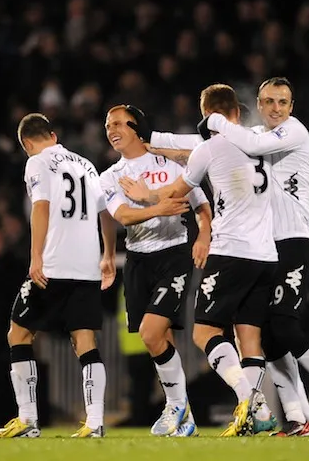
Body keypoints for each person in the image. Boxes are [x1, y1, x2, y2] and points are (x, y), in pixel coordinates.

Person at [141, 77, 309, 436]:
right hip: (270, 246)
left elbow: (229, 141)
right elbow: (205, 145)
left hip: (297, 239)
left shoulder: (292, 131)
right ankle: (298, 417)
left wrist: (213, 120)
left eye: (283, 102)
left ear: (292, 107)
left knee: (284, 326)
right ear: (258, 105)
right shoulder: (252, 136)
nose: (276, 108)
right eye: (269, 101)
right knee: (270, 334)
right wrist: (155, 139)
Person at [120, 84, 277, 437]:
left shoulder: (210, 147)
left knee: (204, 331)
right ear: (236, 110)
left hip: (232, 252)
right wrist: (161, 150)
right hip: (266, 255)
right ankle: (257, 416)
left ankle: (253, 403)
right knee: (249, 339)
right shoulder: (259, 140)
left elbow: (179, 189)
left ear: (207, 114)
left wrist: (147, 195)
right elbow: (191, 151)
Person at [0, 113, 116, 439]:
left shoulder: (37, 162)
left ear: (26, 143)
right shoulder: (86, 165)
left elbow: (41, 207)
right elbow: (106, 211)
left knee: (18, 334)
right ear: (53, 135)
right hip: (87, 266)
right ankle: (95, 422)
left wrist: (35, 256)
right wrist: (108, 254)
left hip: (54, 264)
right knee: (85, 341)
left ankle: (28, 419)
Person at [100, 104, 212, 437]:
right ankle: (185, 417)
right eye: (108, 125)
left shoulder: (170, 162)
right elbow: (122, 215)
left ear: (137, 127)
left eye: (118, 123)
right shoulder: (110, 175)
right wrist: (158, 207)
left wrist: (204, 235)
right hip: (137, 260)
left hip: (173, 254)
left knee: (151, 333)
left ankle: (175, 405)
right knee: (159, 338)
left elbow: (200, 204)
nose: (111, 130)